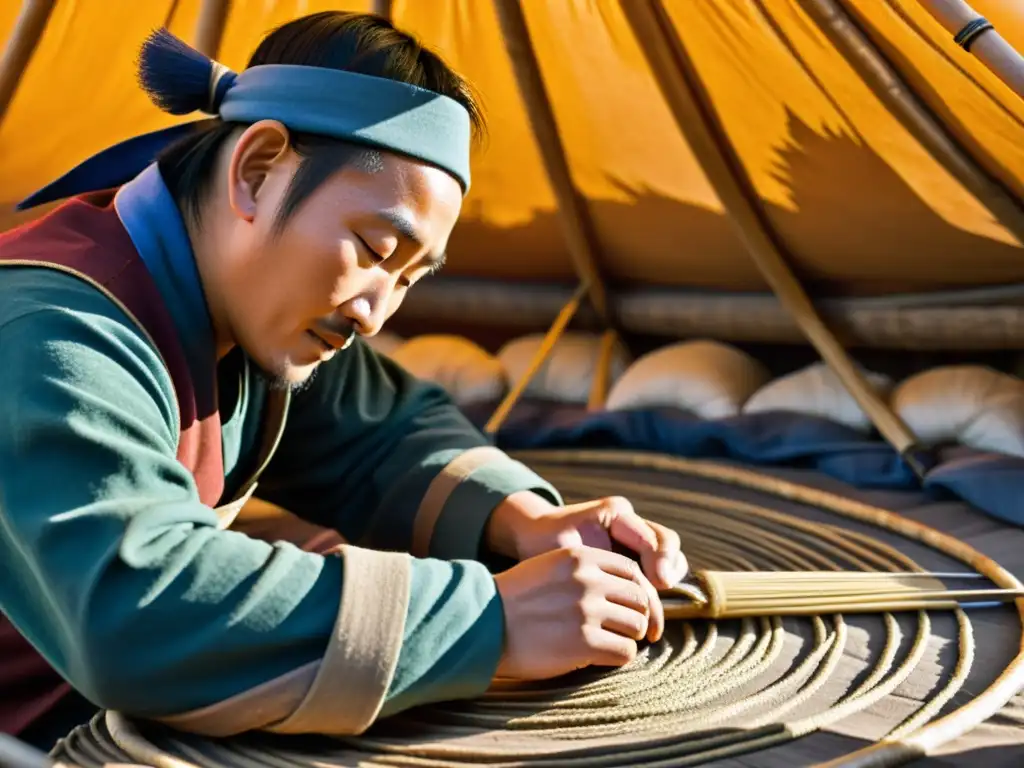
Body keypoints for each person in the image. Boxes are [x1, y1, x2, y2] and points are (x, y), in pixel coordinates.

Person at [0, 11, 687, 749]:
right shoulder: (50, 332)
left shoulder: (245, 308)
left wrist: (528, 522)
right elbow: (137, 606)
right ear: (258, 170)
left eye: (409, 278)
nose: (374, 313)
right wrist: (489, 619)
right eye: (375, 246)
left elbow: (381, 433)